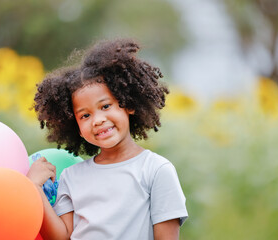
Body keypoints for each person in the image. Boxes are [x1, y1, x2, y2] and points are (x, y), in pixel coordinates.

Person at [27, 38, 188, 240]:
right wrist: (34, 188)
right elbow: (62, 237)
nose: (98, 120)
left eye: (105, 106)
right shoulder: (70, 177)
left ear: (128, 104)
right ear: (75, 126)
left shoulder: (156, 170)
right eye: (85, 115)